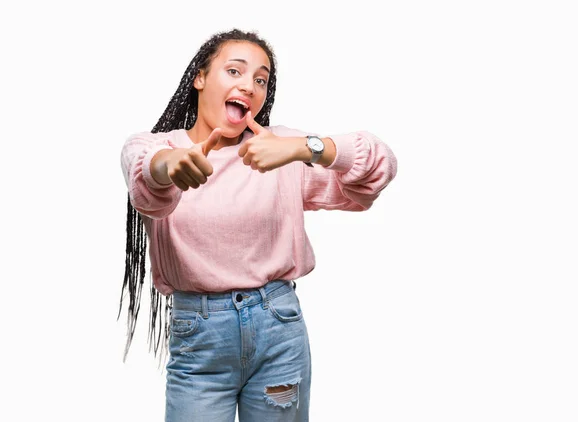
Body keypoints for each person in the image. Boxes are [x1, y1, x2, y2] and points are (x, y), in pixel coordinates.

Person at [119, 28, 398, 421]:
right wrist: (171, 166)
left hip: (278, 329)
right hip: (199, 337)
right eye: (235, 71)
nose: (249, 86)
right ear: (200, 78)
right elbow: (146, 177)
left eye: (260, 79)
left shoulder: (278, 150)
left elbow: (378, 166)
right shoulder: (154, 147)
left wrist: (305, 148)